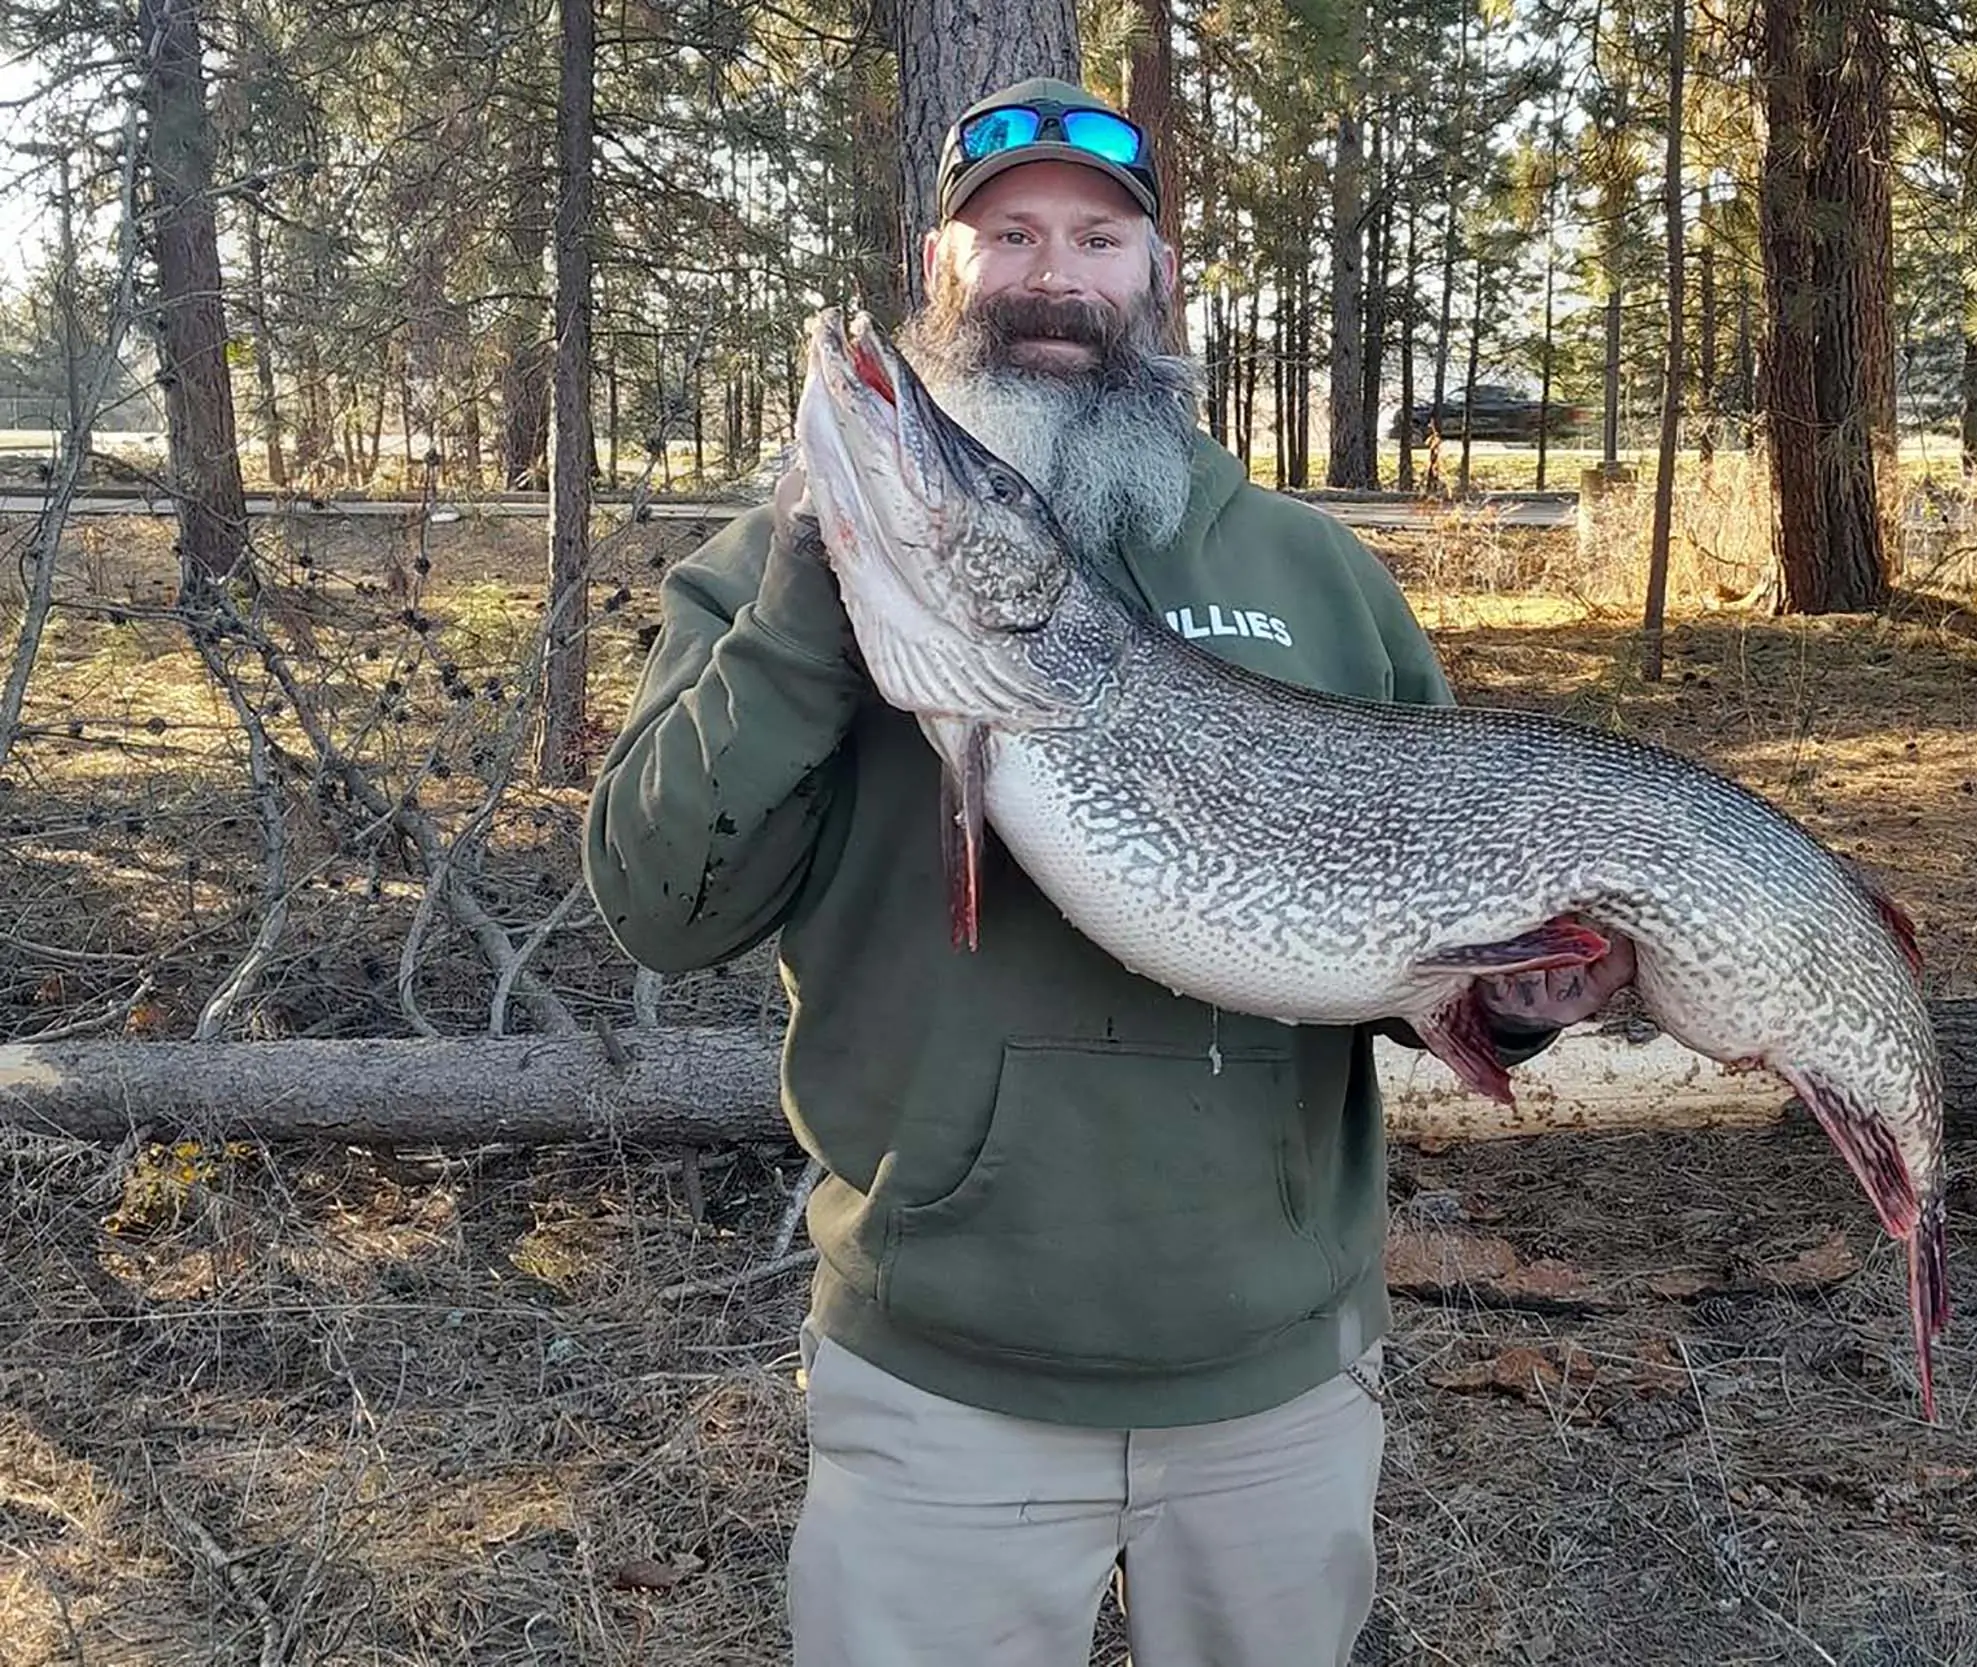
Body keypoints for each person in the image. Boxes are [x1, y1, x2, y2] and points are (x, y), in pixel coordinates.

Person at [582, 76, 1635, 1667]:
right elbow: (663, 907)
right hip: (943, 1386)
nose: (1052, 275)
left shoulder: (1313, 574)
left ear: (1156, 283)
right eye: (1007, 235)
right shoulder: (788, 564)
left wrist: (1529, 997)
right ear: (938, 265)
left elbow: (1410, 940)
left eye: (1097, 237)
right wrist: (813, 605)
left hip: (1274, 1385)